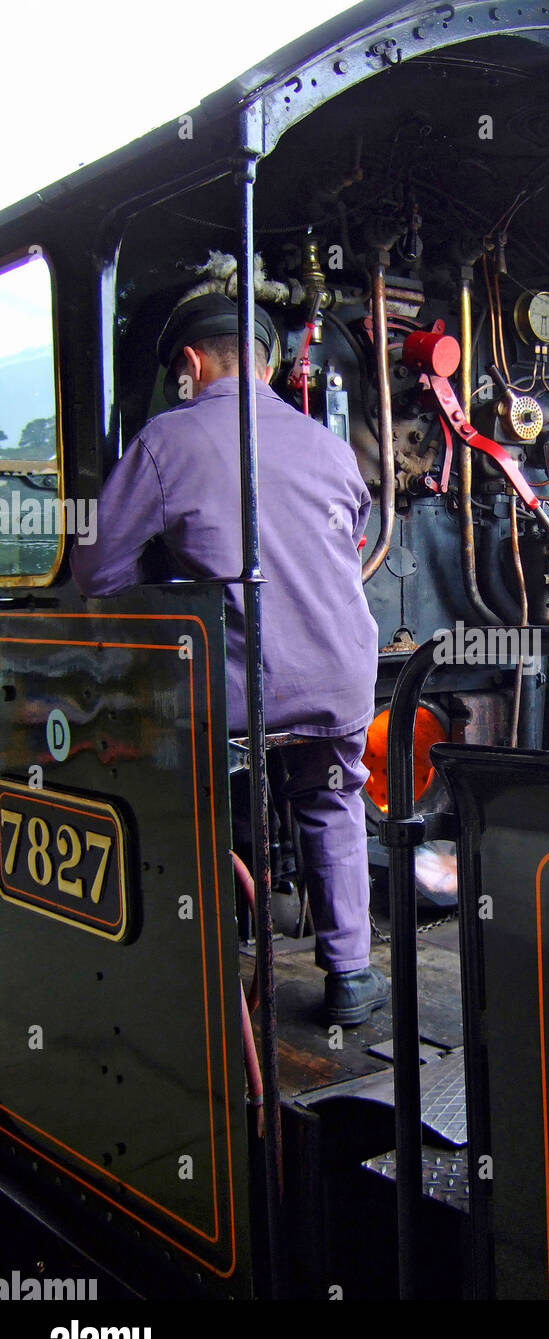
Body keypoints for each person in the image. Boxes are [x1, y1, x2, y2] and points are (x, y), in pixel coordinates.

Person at [71, 288, 389, 1026]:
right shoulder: (329, 444)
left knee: (184, 801)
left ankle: (198, 976)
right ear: (271, 367)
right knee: (332, 795)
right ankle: (348, 974)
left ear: (188, 363)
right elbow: (348, 544)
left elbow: (95, 573)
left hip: (244, 691)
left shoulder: (166, 440)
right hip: (343, 677)